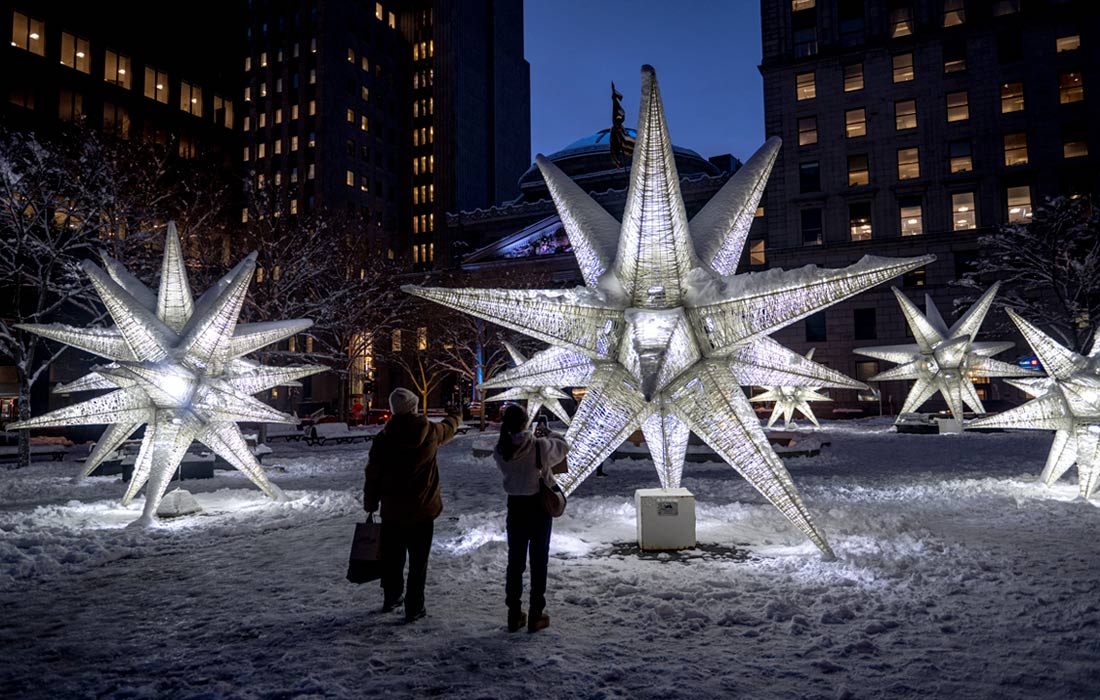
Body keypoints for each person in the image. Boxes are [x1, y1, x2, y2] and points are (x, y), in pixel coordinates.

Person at [363, 388, 461, 623]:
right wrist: (456, 416)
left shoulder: (384, 438)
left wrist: (370, 502)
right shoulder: (429, 432)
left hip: (393, 511)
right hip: (422, 510)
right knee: (419, 562)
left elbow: (372, 473)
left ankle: (392, 596)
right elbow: (448, 428)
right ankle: (414, 606)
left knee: (392, 558)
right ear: (414, 408)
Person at [493, 405, 569, 633]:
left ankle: (513, 613)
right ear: (526, 423)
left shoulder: (501, 449)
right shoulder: (540, 446)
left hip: (515, 507)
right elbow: (564, 446)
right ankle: (537, 613)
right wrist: (549, 433)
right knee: (538, 561)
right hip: (538, 508)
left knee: (515, 562)